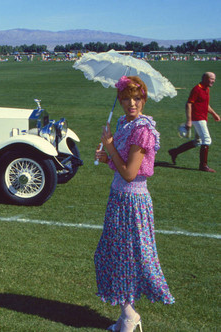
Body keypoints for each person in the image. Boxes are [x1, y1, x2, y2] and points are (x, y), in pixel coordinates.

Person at [94, 76, 175, 332]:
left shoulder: (143, 129)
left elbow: (130, 173)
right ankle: (126, 316)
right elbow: (119, 166)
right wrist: (107, 155)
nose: (132, 103)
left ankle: (129, 317)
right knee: (113, 256)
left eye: (137, 98)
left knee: (129, 258)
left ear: (144, 99)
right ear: (119, 100)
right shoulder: (123, 123)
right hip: (118, 197)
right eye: (126, 98)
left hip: (133, 202)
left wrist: (110, 148)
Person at [168, 72, 220, 172]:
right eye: (212, 79)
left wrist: (214, 114)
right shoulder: (197, 89)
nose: (213, 81)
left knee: (198, 141)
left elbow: (205, 105)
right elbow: (188, 104)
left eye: (214, 79)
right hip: (198, 118)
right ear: (205, 78)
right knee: (207, 140)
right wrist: (189, 120)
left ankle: (175, 152)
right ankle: (203, 165)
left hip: (203, 118)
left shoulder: (206, 89)